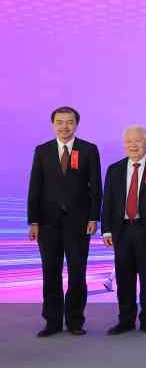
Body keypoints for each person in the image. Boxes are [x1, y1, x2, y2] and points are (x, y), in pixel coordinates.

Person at [28, 106, 102, 337]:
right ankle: (52, 322)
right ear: (53, 124)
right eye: (59, 122)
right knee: (50, 272)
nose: (64, 126)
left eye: (69, 122)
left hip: (79, 223)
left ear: (76, 124)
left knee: (77, 272)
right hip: (47, 223)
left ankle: (75, 321)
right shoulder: (43, 150)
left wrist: (94, 217)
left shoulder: (88, 149)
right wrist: (33, 221)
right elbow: (35, 187)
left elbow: (96, 187)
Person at [100, 125, 146, 336]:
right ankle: (126, 320)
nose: (133, 145)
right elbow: (108, 201)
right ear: (124, 145)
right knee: (124, 277)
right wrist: (106, 230)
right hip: (121, 231)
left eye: (138, 140)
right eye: (129, 141)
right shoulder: (115, 169)